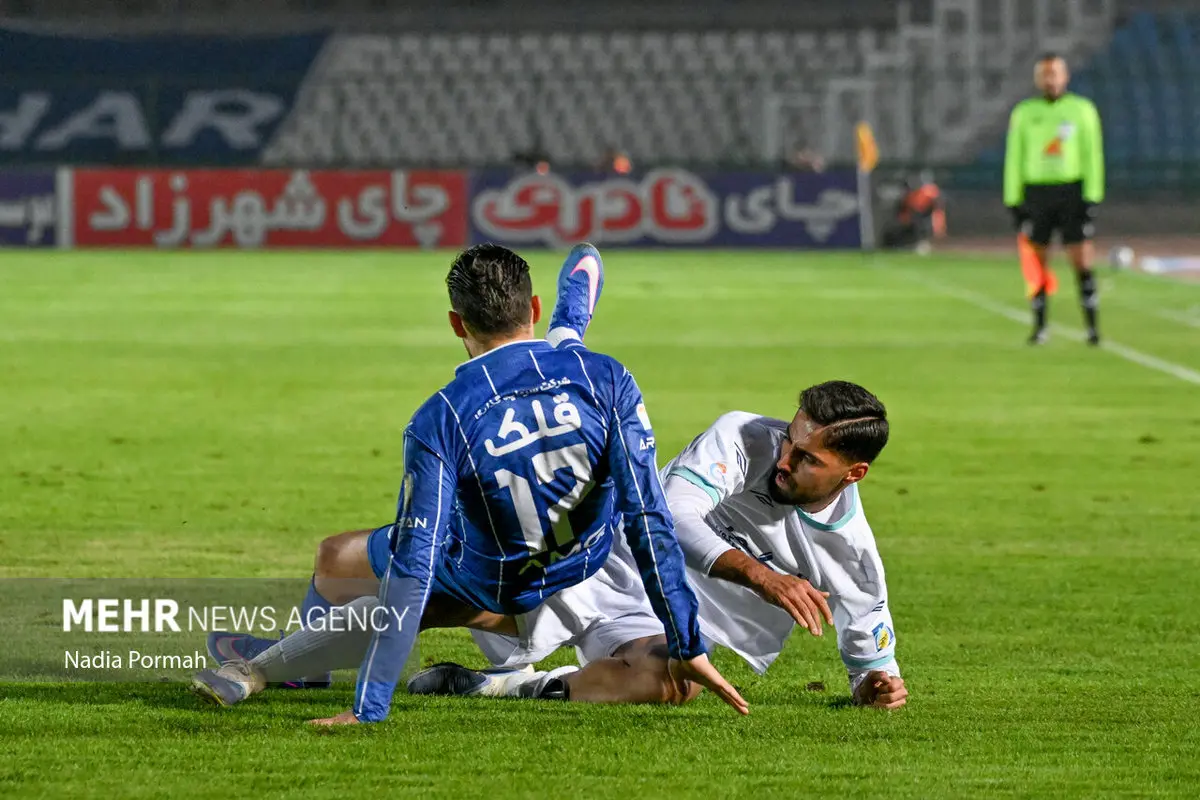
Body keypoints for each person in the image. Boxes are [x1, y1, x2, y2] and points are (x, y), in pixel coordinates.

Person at [189, 243, 747, 723]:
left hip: (493, 587)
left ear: (457, 323)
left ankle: (269, 668)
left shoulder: (441, 416)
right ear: (532, 307)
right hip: (586, 555)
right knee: (341, 559)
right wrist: (687, 636)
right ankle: (299, 669)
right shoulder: (608, 379)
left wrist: (371, 706)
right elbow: (649, 517)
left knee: (360, 572)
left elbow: (414, 564)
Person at [412, 380, 907, 711]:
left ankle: (505, 685)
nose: (783, 458)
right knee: (442, 603)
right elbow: (672, 513)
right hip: (603, 560)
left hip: (658, 622)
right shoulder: (743, 436)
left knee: (676, 683)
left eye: (806, 458)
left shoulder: (853, 558)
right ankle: (336, 641)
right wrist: (760, 575)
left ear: (853, 473)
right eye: (788, 439)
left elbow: (872, 667)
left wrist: (875, 689)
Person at [1004, 52, 1105, 346]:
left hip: (1072, 191)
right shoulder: (1024, 112)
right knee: (1037, 264)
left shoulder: (1082, 110)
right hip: (1037, 193)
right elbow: (1015, 158)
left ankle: (1093, 328)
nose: (1050, 79)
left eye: (1055, 73)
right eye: (1045, 74)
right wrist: (1014, 200)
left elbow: (1092, 154)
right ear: (1038, 79)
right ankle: (1040, 327)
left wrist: (1092, 196)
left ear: (1065, 76)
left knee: (1081, 260)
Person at [881, 170, 946, 254]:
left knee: (921, 225)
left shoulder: (929, 193)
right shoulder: (909, 196)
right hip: (912, 220)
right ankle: (904, 245)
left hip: (925, 219)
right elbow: (903, 211)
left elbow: (937, 206)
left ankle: (922, 244)